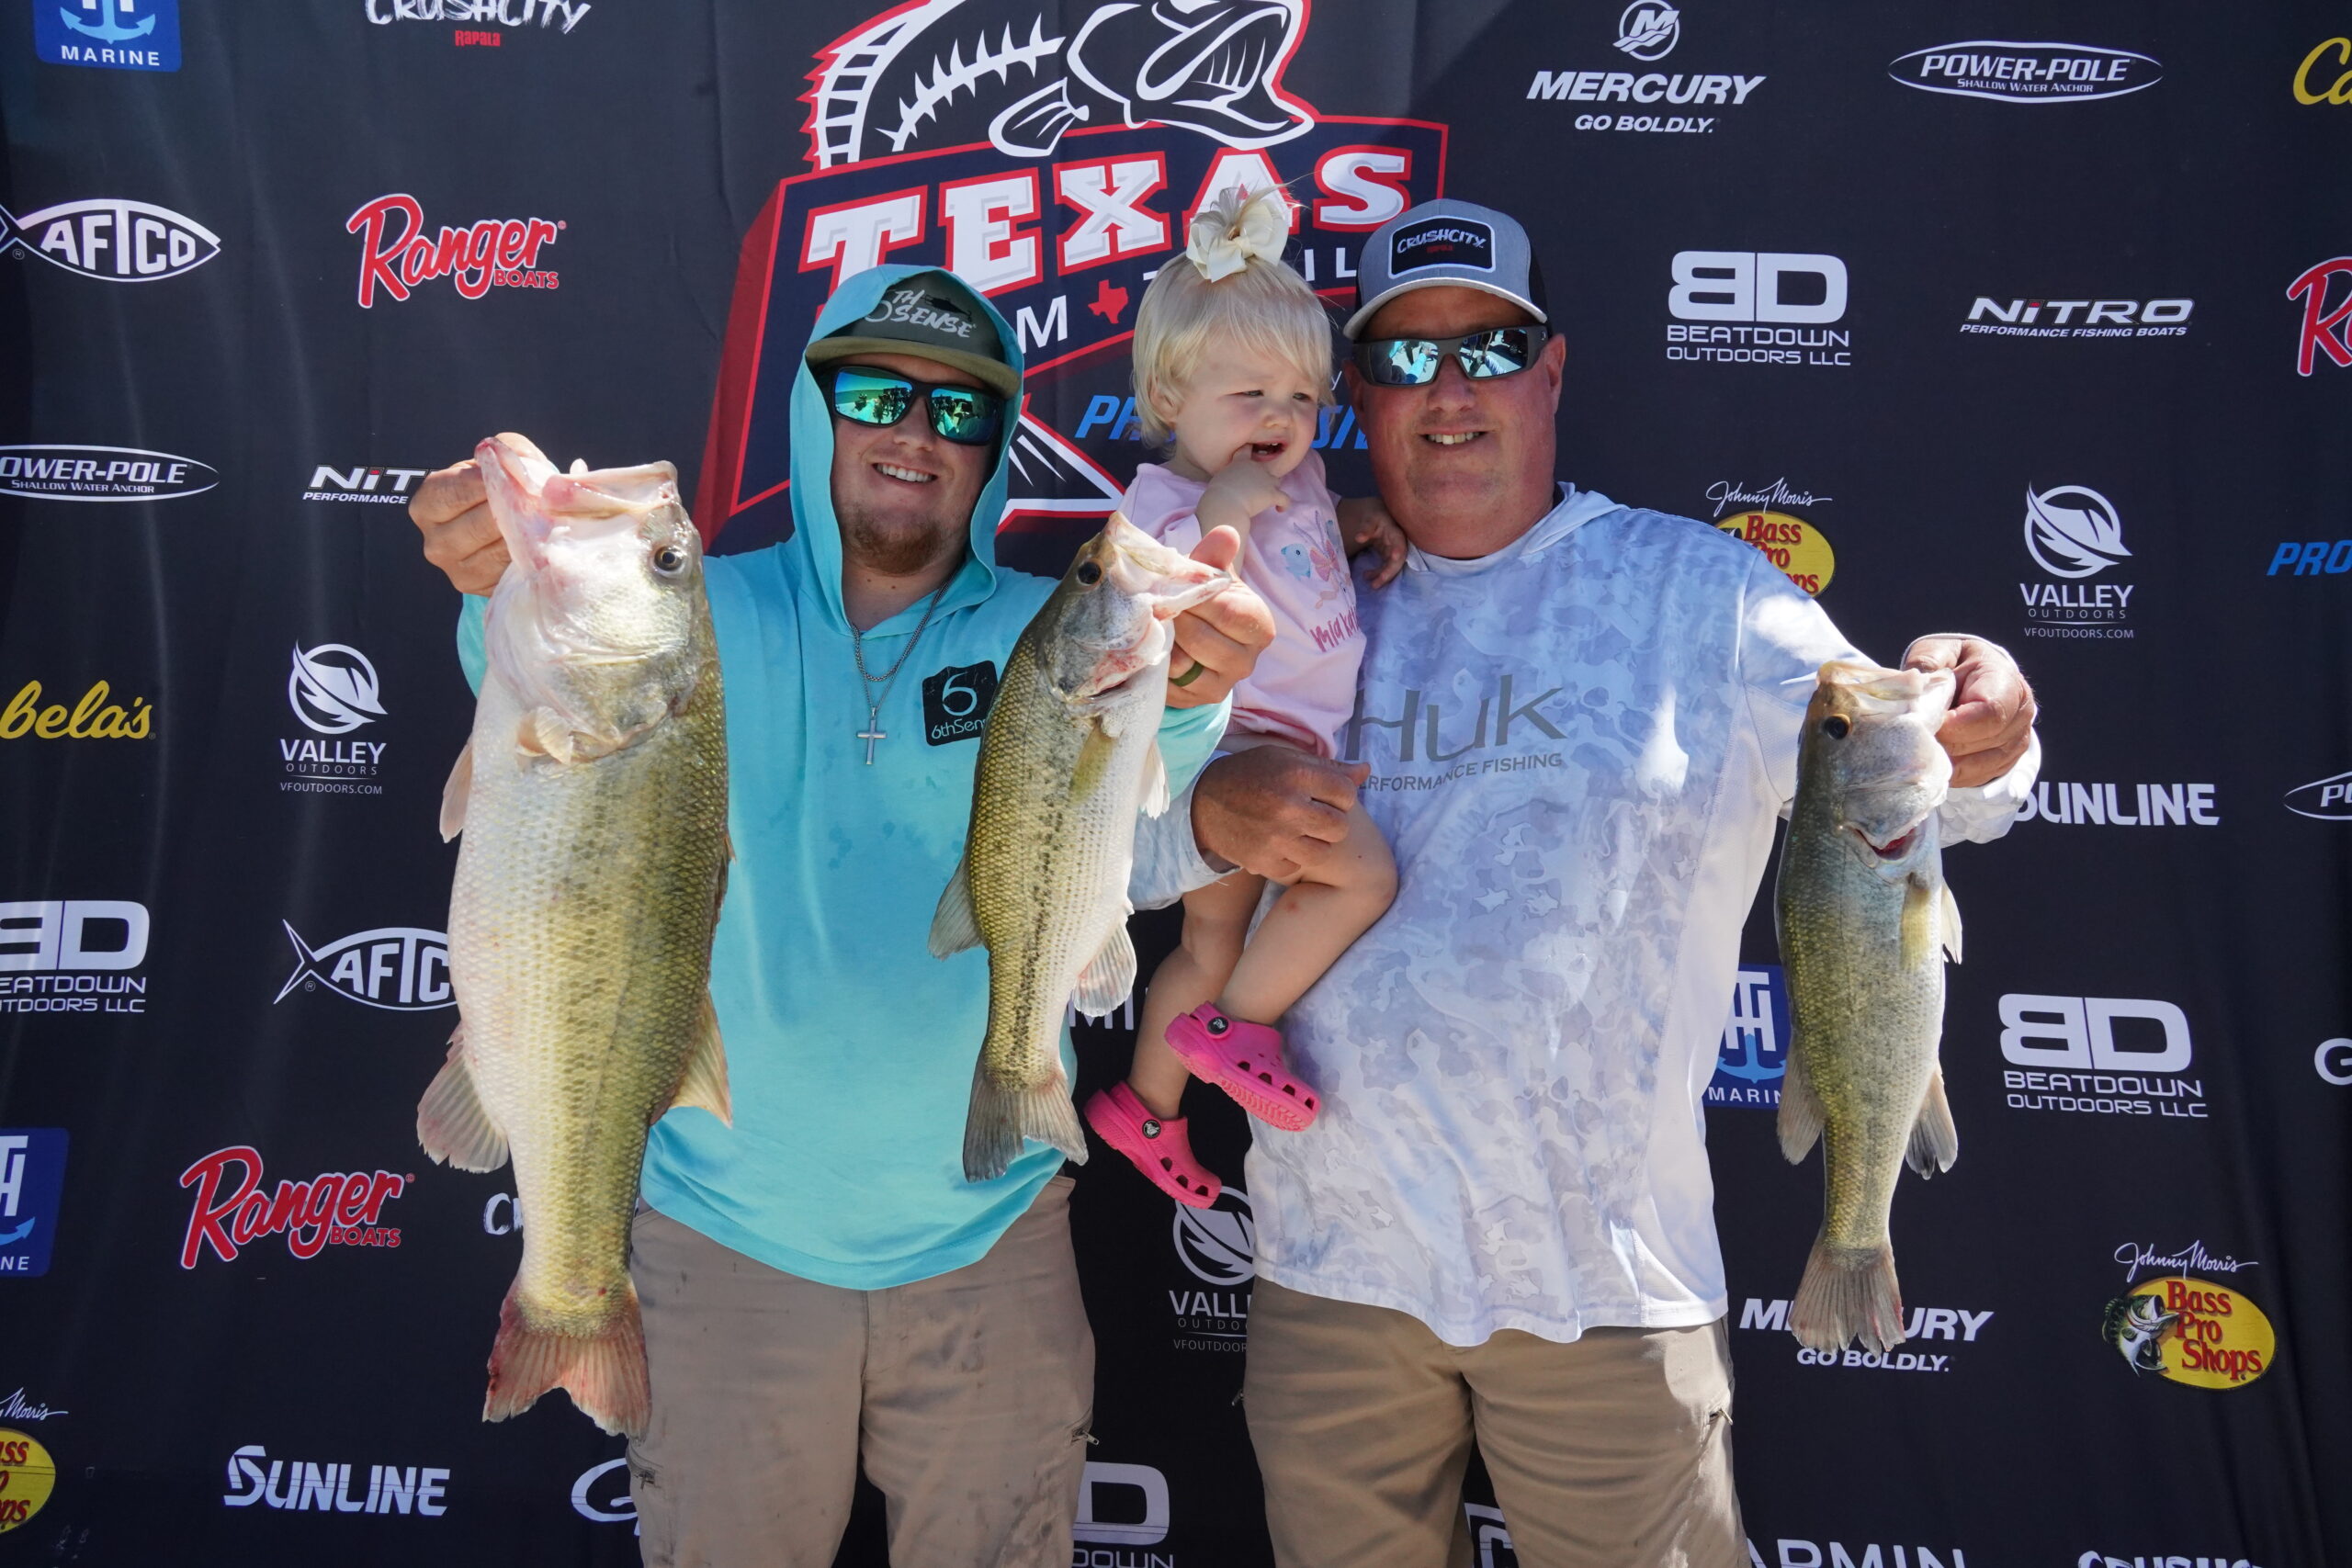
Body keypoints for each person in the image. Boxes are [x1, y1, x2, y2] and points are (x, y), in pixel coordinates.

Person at [1143, 198, 2042, 1567]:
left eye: (1491, 347)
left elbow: (1926, 784)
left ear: (1551, 372)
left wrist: (1994, 724)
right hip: (1330, 1274)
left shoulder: (1706, 594)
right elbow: (1113, 856)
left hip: (1608, 1287)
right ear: (1354, 397)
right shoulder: (1271, 581)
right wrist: (1209, 812)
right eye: (1405, 357)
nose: (1450, 390)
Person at [409, 265, 1273, 1568]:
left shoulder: (1057, 629)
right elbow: (530, 683)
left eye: (959, 410)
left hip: (990, 1238)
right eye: (874, 394)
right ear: (815, 409)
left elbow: (1136, 817)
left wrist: (1195, 694)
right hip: (719, 1243)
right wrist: (494, 575)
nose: (914, 431)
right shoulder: (684, 615)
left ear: (995, 446)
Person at [1082, 187, 1405, 1208]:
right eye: (1252, 394)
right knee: (1363, 877)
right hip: (1227, 750)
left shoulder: (1302, 480)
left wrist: (1351, 515)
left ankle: (1146, 1107)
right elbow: (1157, 602)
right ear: (1169, 396)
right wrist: (1216, 514)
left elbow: (1301, 540)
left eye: (1303, 399)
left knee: (1211, 941)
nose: (1281, 419)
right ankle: (1235, 1031)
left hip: (1286, 744)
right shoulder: (1163, 504)